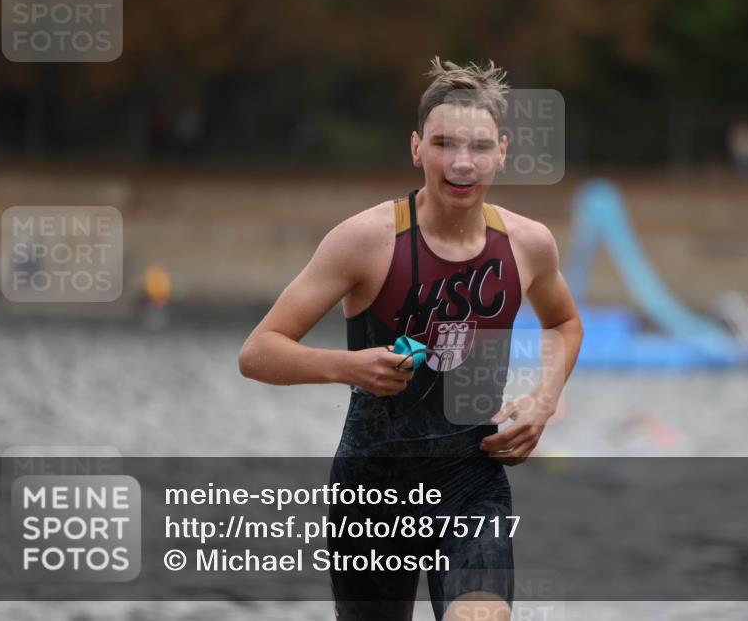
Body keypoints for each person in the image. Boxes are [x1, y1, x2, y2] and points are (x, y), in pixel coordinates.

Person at [239, 57, 583, 621]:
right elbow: (258, 352)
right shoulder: (364, 241)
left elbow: (564, 322)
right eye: (445, 144)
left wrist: (543, 402)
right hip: (371, 489)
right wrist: (349, 367)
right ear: (417, 148)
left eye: (477, 147)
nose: (462, 163)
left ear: (502, 151)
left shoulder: (528, 244)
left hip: (471, 482)